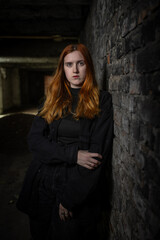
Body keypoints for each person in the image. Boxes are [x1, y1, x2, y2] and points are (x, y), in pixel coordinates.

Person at [16, 43, 114, 240]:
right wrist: (74, 154)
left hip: (74, 183)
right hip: (42, 181)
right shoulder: (51, 100)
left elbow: (96, 156)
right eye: (69, 65)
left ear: (89, 66)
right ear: (63, 69)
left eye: (80, 63)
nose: (75, 70)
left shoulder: (101, 100)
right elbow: (34, 141)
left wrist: (70, 199)